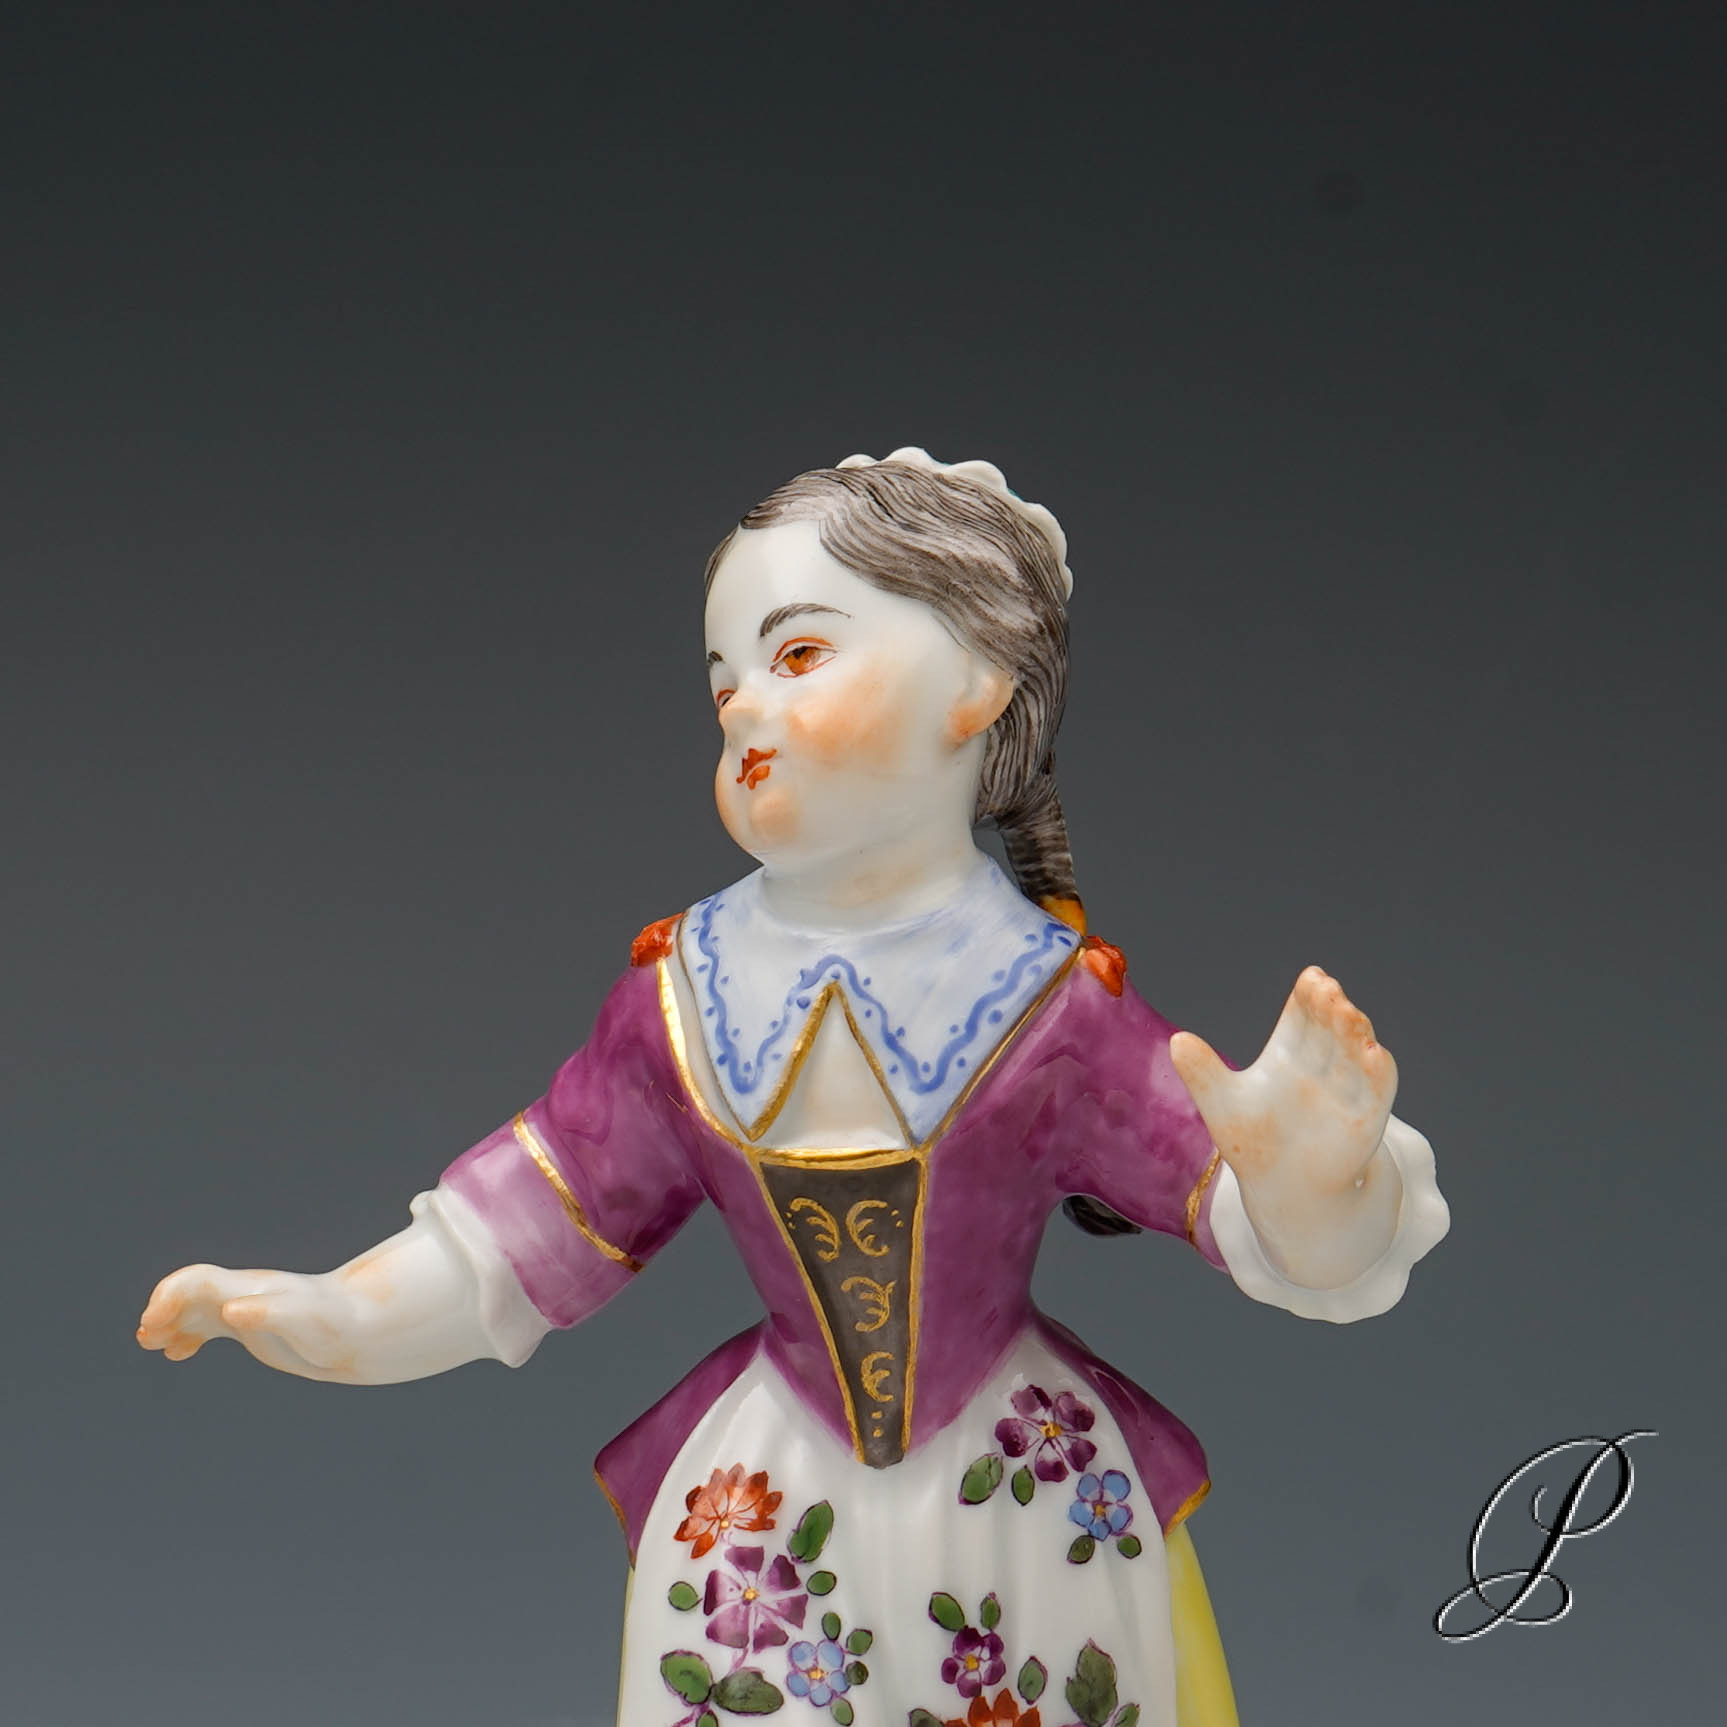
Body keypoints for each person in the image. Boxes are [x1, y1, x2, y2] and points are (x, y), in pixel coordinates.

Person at [138, 449, 1448, 1727]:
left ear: (976, 682)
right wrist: (328, 1311)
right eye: (723, 682)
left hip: (1023, 1515)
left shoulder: (1051, 1004)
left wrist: (1312, 1185)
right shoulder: (678, 998)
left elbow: (1270, 1233)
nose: (743, 707)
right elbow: (518, 1240)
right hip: (764, 1527)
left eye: (798, 654)